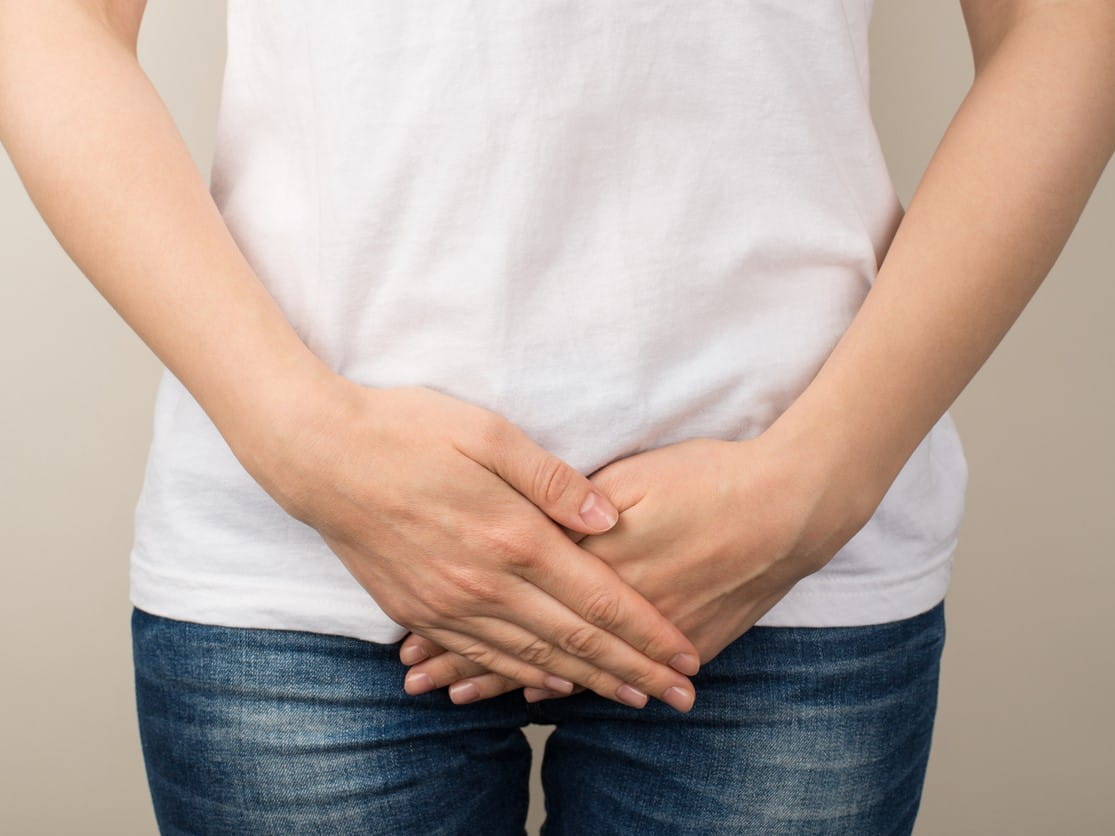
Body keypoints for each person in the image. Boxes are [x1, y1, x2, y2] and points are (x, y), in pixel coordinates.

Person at [2, 1, 1112, 833]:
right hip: (310, 568)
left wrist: (819, 481)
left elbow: (1061, 29)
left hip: (773, 565)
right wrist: (303, 441)